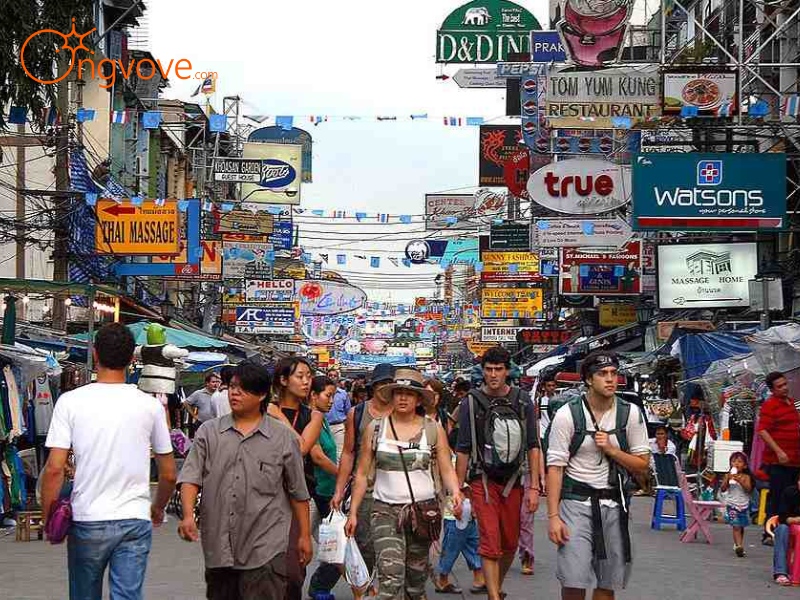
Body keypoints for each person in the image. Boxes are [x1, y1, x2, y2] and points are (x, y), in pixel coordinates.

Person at [41, 323, 177, 600]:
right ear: (132, 359)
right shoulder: (150, 405)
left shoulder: (70, 402)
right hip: (134, 518)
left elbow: (55, 468)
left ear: (94, 353)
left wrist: (48, 518)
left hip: (87, 518)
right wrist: (158, 508)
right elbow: (169, 474)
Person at [177, 361, 312, 599]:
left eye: (243, 388)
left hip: (266, 547)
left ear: (261, 395)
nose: (234, 393)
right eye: (232, 387)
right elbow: (191, 476)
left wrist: (303, 535)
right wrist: (188, 515)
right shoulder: (209, 432)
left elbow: (297, 492)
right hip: (219, 546)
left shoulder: (282, 438)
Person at [345, 368, 465, 600]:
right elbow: (361, 474)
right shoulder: (376, 428)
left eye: (409, 393)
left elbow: (446, 467)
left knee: (415, 584)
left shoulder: (432, 429)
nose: (402, 398)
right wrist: (353, 513)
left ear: (419, 398)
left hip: (422, 514)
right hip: (384, 512)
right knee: (390, 579)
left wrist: (456, 492)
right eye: (398, 392)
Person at [547, 351, 650, 600]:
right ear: (588, 380)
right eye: (602, 374)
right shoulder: (567, 415)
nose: (610, 379)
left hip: (615, 504)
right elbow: (556, 467)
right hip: (575, 502)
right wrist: (553, 517)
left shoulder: (631, 414)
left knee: (608, 582)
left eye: (613, 374)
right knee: (573, 579)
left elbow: (642, 465)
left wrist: (612, 450)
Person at [455, 346, 541, 600]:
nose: (493, 375)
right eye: (489, 369)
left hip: (515, 481)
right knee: (490, 541)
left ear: (507, 371)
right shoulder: (470, 402)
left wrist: (535, 486)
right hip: (482, 480)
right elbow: (463, 448)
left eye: (498, 370)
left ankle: (496, 586)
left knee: (510, 543)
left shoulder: (523, 400)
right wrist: (457, 490)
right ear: (482, 371)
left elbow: (534, 446)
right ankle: (494, 596)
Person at [330, 363, 396, 600]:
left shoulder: (402, 412)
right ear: (373, 387)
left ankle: (385, 587)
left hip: (397, 489)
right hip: (365, 488)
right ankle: (364, 590)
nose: (386, 389)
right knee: (365, 544)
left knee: (392, 545)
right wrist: (339, 491)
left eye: (390, 384)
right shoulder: (357, 413)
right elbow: (348, 453)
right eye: (381, 384)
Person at [271, 357, 327, 600]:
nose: (306, 382)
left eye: (308, 376)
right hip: (265, 494)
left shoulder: (313, 416)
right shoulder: (262, 411)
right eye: (300, 376)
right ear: (283, 380)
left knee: (294, 569)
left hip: (299, 495)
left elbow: (302, 448)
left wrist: (277, 416)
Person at [306, 376, 343, 599]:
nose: (331, 401)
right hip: (312, 493)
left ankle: (320, 587)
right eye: (328, 395)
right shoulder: (311, 420)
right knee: (296, 548)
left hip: (327, 493)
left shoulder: (323, 419)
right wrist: (344, 476)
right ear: (313, 395)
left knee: (337, 544)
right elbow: (317, 456)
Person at [757, 371, 800, 545]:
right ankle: (770, 533)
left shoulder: (790, 403)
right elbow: (762, 430)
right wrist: (779, 451)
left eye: (785, 384)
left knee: (792, 497)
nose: (784, 388)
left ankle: (787, 531)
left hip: (795, 461)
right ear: (772, 389)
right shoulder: (770, 405)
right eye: (780, 386)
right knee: (778, 497)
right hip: (779, 462)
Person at [721, 452, 753, 558]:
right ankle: (739, 546)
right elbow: (723, 489)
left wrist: (740, 480)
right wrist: (727, 479)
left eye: (739, 461)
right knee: (736, 526)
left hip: (744, 506)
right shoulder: (728, 475)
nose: (736, 463)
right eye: (734, 461)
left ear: (745, 465)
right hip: (732, 505)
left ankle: (738, 544)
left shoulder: (746, 477)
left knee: (741, 525)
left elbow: (748, 489)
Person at [772, 472, 800, 585]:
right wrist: (795, 520)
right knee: (781, 529)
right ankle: (781, 572)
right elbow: (783, 517)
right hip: (790, 525)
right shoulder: (790, 492)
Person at [326, 368, 352, 459]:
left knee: (339, 453)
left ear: (338, 378)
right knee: (326, 452)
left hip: (339, 427)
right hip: (324, 426)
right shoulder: (322, 393)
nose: (332, 377)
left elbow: (348, 411)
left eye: (334, 376)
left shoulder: (343, 394)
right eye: (330, 375)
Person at [538, 374, 558, 441]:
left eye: (553, 385)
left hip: (556, 433)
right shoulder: (539, 401)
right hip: (543, 434)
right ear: (544, 387)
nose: (551, 388)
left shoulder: (560, 400)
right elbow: (537, 418)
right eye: (549, 386)